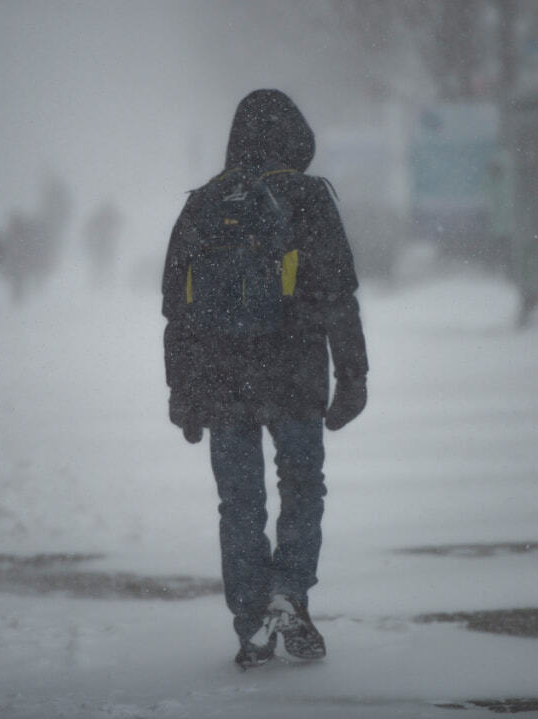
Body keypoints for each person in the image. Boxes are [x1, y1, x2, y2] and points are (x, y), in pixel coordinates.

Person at [160, 89, 369, 669]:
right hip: (296, 372)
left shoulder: (204, 203)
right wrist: (353, 375)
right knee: (301, 485)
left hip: (223, 380)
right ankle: (288, 591)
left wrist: (183, 392)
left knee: (240, 503)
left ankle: (251, 614)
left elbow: (177, 309)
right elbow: (337, 295)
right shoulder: (309, 198)